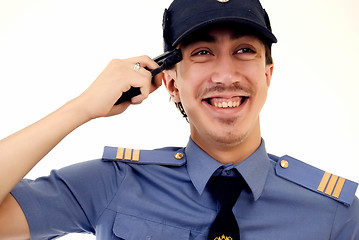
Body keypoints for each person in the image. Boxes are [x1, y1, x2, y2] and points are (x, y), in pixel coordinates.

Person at [0, 0, 358, 239]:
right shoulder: (113, 184)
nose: (225, 74)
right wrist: (80, 108)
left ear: (268, 74)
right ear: (171, 83)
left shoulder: (337, 214)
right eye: (203, 52)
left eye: (244, 50)